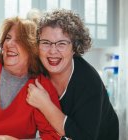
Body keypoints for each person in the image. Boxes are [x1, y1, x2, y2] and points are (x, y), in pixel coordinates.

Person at [26, 9, 119, 140]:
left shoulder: (88, 81)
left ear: (74, 47)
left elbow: (83, 136)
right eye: (46, 43)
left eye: (62, 44)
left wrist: (44, 104)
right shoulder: (39, 68)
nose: (53, 51)